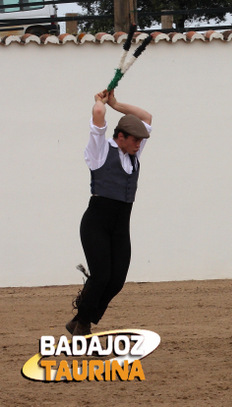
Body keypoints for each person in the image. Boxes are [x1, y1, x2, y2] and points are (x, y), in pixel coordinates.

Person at [66, 89, 152, 336]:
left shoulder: (133, 153)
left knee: (116, 280)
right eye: (135, 139)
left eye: (140, 140)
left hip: (120, 224)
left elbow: (146, 116)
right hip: (96, 222)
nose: (139, 143)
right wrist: (99, 103)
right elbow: (97, 114)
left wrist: (115, 103)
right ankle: (82, 325)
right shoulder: (101, 150)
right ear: (121, 137)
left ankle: (80, 319)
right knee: (101, 276)